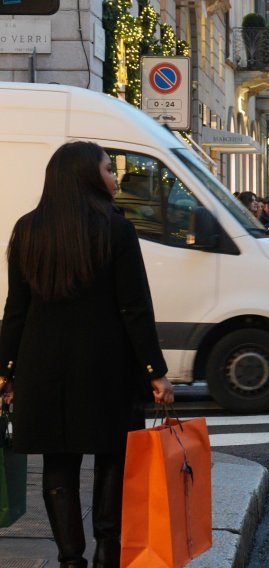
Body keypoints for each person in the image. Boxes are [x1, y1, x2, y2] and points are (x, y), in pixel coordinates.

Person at [0, 141, 174, 566]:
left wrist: (6, 370)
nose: (115, 178)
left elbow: (15, 310)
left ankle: (69, 559)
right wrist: (155, 370)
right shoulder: (115, 228)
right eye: (108, 170)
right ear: (86, 177)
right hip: (106, 367)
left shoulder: (28, 229)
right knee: (112, 457)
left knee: (58, 462)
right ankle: (106, 555)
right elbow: (134, 306)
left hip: (43, 368)